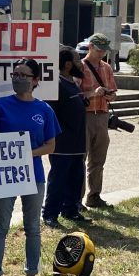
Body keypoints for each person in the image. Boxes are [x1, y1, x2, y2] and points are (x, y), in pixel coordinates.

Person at [0, 59, 60, 276]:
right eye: (15, 74)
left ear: (35, 80)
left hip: (34, 175)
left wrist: (27, 152)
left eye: (24, 75)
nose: (18, 78)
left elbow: (50, 146)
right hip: (5, 175)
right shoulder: (0, 106)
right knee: (0, 227)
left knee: (33, 227)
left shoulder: (44, 110)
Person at [42, 48, 90, 227]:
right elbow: (50, 113)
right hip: (63, 145)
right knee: (58, 180)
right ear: (68, 64)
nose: (81, 64)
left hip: (78, 144)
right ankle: (50, 214)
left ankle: (70, 210)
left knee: (75, 179)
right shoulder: (56, 84)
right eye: (78, 61)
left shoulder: (72, 83)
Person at [79, 33, 118, 209]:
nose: (102, 53)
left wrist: (110, 95)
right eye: (99, 49)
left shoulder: (107, 68)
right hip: (85, 115)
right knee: (80, 158)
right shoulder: (79, 67)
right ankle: (76, 199)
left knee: (98, 159)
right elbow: (74, 95)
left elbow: (114, 94)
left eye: (104, 50)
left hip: (102, 115)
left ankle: (94, 196)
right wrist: (94, 93)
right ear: (90, 47)